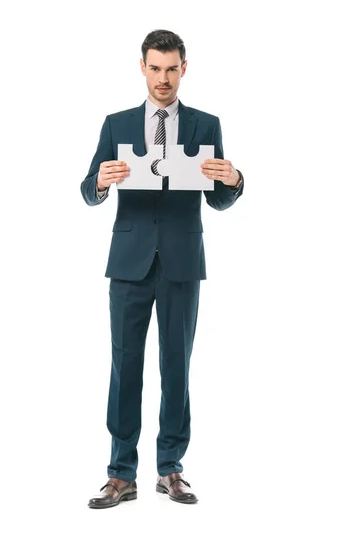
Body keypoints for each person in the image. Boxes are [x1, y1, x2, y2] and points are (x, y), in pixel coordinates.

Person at [80, 29, 244, 508]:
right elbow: (87, 188)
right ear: (143, 67)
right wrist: (101, 183)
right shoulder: (117, 124)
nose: (163, 78)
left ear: (184, 68)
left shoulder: (205, 124)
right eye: (155, 68)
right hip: (129, 264)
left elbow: (219, 200)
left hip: (181, 263)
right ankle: (120, 474)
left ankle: (170, 468)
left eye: (172, 68)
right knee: (124, 367)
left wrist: (234, 179)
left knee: (177, 367)